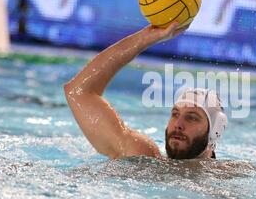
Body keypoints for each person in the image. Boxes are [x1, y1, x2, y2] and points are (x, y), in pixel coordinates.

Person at [64, 22, 227, 160]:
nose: (178, 125)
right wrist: (145, 39)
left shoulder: (229, 177)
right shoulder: (143, 155)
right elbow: (78, 91)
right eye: (175, 114)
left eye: (192, 118)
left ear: (215, 130)